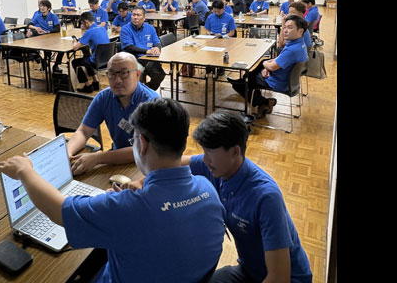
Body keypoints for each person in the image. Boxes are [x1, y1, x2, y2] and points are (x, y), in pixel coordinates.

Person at [0, 98, 226, 283]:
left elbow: (58, 210)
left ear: (143, 144)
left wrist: (25, 171)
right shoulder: (208, 188)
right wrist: (125, 203)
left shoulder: (128, 208)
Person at [116, 110, 313, 283]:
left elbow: (279, 277)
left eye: (209, 151)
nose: (205, 158)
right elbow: (172, 164)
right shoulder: (216, 166)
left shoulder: (266, 197)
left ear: (235, 152)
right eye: (203, 151)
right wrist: (141, 182)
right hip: (249, 271)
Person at [66, 52, 160, 174]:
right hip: (115, 160)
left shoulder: (152, 102)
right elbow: (83, 132)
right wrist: (68, 152)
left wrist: (98, 158)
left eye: (124, 73)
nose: (117, 80)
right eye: (112, 74)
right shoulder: (103, 98)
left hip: (146, 165)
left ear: (137, 75)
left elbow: (144, 150)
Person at [228, 15, 309, 118]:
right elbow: (278, 60)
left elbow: (272, 67)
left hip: (277, 82)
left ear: (300, 31)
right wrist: (267, 66)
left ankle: (264, 102)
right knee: (256, 69)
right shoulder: (299, 44)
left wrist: (266, 66)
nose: (285, 30)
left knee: (243, 82)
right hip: (286, 80)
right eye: (285, 27)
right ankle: (249, 86)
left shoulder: (292, 50)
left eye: (290, 27)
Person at [120, 7, 166, 91]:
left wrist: (157, 48)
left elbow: (157, 42)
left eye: (138, 15)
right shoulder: (125, 29)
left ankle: (146, 91)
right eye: (133, 15)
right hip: (133, 59)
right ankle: (137, 92)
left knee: (160, 74)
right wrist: (146, 51)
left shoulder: (150, 28)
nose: (135, 17)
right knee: (139, 72)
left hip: (149, 59)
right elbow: (129, 47)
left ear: (144, 18)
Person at [70, 11, 110, 93]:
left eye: (82, 23)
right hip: (106, 60)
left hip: (96, 61)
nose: (81, 25)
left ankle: (87, 85)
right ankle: (95, 81)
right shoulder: (102, 28)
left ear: (86, 22)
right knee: (86, 58)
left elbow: (75, 48)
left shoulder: (89, 32)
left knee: (75, 62)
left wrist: (74, 41)